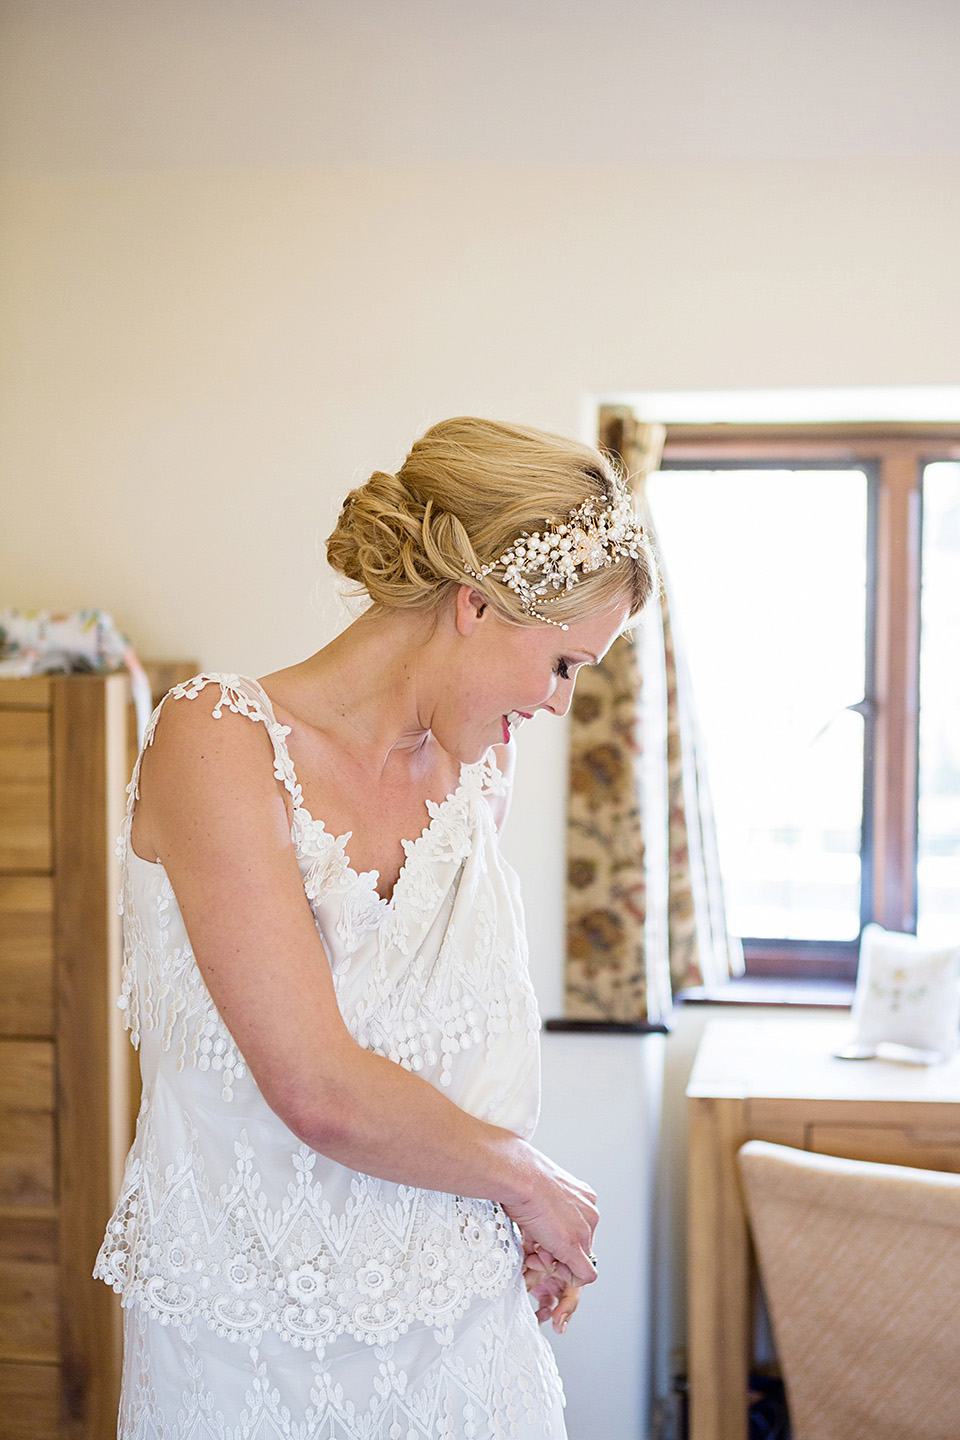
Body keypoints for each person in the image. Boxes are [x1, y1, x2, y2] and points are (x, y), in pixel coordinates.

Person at [94, 416, 657, 1440]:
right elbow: (316, 1086)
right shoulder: (217, 742)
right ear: (477, 604)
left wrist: (518, 1217)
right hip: (245, 1360)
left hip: (467, 1348)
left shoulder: (480, 768)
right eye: (566, 665)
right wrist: (532, 1186)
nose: (561, 704)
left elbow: (452, 1066)